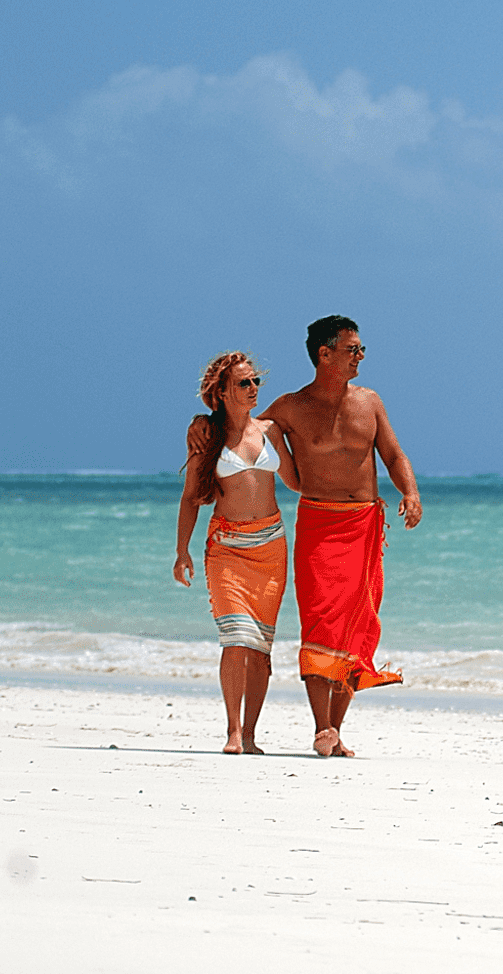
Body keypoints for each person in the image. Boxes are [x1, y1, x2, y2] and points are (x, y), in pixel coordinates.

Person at [262, 315, 422, 758]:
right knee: (319, 621)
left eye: (361, 349)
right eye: (352, 349)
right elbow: (245, 432)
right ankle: (321, 727)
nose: (360, 357)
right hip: (317, 522)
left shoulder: (369, 402)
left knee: (356, 626)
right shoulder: (290, 407)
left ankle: (336, 728)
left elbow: (392, 453)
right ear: (324, 354)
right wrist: (209, 431)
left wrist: (410, 491)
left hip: (365, 525)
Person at [174, 352, 300, 755]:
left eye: (255, 381)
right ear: (223, 392)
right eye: (244, 383)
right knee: (235, 639)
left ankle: (250, 735)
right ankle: (231, 730)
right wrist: (182, 551)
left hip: (271, 547)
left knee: (261, 647)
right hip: (227, 548)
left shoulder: (269, 430)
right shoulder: (207, 437)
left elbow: (297, 481)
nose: (253, 389)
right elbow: (192, 498)